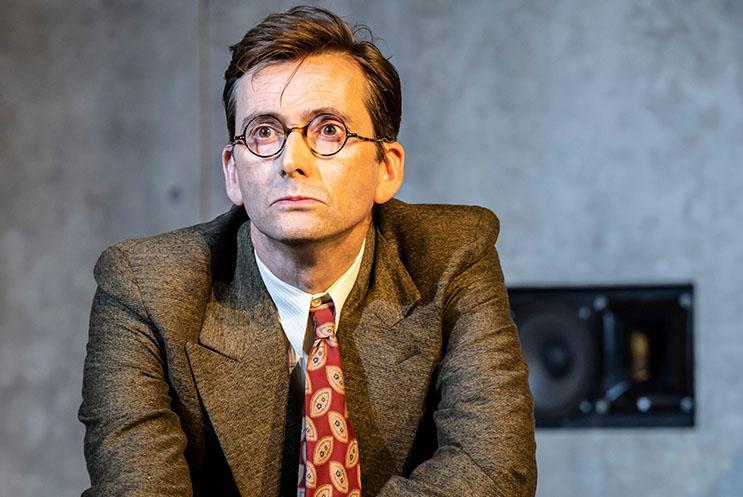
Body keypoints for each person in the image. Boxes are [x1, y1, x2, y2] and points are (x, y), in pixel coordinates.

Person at [78, 5, 536, 497]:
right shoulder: (144, 287)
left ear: (387, 167)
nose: (291, 161)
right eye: (264, 133)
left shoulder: (453, 255)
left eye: (329, 130)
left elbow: (492, 472)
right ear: (234, 172)